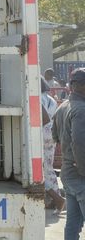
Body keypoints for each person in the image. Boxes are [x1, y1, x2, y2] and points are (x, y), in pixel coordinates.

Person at [58, 68, 85, 239]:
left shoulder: (63, 107)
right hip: (80, 175)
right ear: (82, 86)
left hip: (67, 173)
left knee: (72, 224)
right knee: (73, 224)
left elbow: (55, 135)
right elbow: (79, 143)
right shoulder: (81, 109)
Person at [40, 77, 65, 213]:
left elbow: (44, 118)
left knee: (35, 171)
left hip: (40, 135)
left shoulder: (36, 97)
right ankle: (56, 200)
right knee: (48, 168)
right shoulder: (51, 99)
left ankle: (57, 199)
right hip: (51, 135)